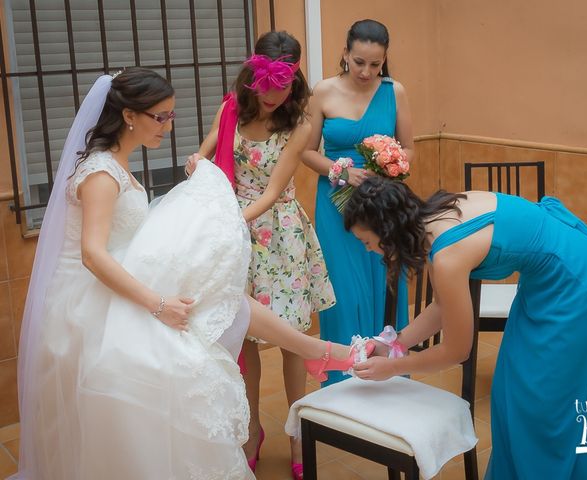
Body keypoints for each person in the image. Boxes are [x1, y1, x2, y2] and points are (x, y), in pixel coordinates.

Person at [12, 68, 356, 480]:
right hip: (91, 298)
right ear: (128, 116)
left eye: (170, 116)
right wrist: (159, 305)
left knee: (220, 291)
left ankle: (316, 351)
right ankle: (319, 352)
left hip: (120, 277)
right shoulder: (102, 174)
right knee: (207, 313)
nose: (168, 126)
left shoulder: (116, 163)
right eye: (160, 116)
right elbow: (92, 255)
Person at [343, 176, 587, 479]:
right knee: (512, 392)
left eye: (367, 242)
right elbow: (442, 306)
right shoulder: (433, 218)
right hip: (550, 280)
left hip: (578, 286)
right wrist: (394, 344)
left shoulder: (447, 255)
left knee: (542, 404)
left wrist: (393, 368)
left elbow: (457, 351)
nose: (369, 251)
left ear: (388, 231)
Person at [186, 31, 335, 477]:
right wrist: (197, 160)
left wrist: (234, 222)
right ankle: (252, 431)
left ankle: (296, 432)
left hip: (279, 233)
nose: (273, 95)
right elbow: (210, 145)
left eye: (284, 85)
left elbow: (273, 191)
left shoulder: (300, 125)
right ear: (252, 77)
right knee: (244, 338)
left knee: (291, 340)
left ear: (295, 81)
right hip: (234, 234)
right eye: (266, 84)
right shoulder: (232, 106)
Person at [302, 19, 414, 385]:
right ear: (346, 54)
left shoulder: (394, 91)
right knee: (343, 291)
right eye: (359, 62)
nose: (366, 71)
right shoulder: (323, 91)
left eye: (375, 64)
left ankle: (388, 373)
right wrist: (340, 171)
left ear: (384, 61)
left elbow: (409, 149)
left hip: (383, 207)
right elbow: (304, 152)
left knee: (384, 284)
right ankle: (341, 380)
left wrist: (391, 165)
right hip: (335, 206)